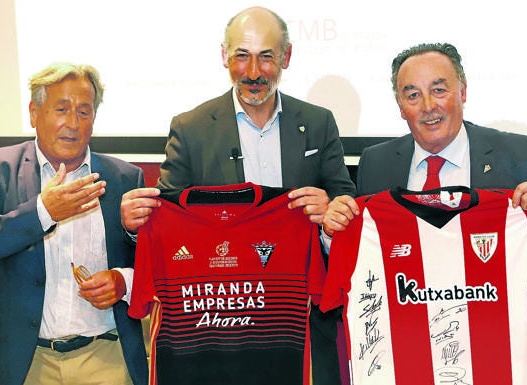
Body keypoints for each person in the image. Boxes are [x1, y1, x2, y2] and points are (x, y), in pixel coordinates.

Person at [120, 6, 356, 385]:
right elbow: (166, 217)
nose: (252, 72)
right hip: (218, 333)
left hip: (302, 326)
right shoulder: (191, 128)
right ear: (224, 57)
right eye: (241, 56)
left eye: (266, 56)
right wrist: (135, 226)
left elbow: (346, 203)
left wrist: (331, 217)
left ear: (287, 57)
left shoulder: (318, 122)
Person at [0, 63, 148, 385]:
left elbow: (153, 261)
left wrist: (124, 281)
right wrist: (43, 211)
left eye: (84, 112)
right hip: (25, 360)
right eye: (61, 109)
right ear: (35, 113)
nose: (73, 124)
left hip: (106, 356)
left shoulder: (124, 177)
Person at [324, 42, 527, 251]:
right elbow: (360, 251)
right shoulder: (376, 163)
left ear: (462, 92)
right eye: (413, 95)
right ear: (401, 106)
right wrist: (332, 233)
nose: (427, 106)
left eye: (438, 90)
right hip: (407, 310)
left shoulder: (519, 156)